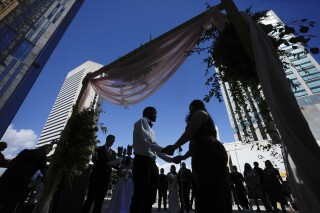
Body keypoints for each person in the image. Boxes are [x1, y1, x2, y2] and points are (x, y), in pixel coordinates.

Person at [162, 99, 232, 212]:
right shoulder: (201, 121)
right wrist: (183, 157)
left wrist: (174, 147)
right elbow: (195, 144)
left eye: (190, 108)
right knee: (205, 188)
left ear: (195, 106)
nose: (189, 111)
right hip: (203, 152)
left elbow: (191, 132)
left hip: (210, 152)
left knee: (212, 187)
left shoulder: (199, 113)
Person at [130, 106, 172, 213]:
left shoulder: (152, 129)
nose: (156, 115)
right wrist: (165, 149)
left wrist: (171, 159)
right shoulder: (141, 122)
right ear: (148, 112)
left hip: (151, 163)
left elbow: (155, 149)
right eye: (154, 112)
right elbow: (147, 141)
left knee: (151, 196)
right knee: (140, 194)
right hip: (142, 162)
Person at [0, 144, 52, 213]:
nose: (48, 151)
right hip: (22, 179)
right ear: (44, 149)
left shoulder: (26, 151)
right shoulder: (42, 157)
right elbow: (43, 169)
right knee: (11, 201)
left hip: (9, 176)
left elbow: (14, 161)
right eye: (48, 150)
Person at [82, 135, 117, 213]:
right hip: (96, 178)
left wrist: (118, 162)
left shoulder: (113, 153)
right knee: (90, 199)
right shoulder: (97, 149)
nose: (112, 142)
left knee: (100, 201)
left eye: (113, 141)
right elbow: (94, 159)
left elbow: (115, 165)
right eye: (111, 140)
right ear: (107, 139)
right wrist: (106, 163)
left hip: (106, 179)